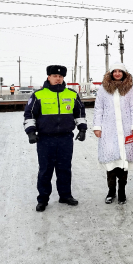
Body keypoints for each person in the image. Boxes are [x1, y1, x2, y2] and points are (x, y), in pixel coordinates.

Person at [23, 65, 87, 212]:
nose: (58, 79)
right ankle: (43, 199)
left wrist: (82, 129)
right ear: (48, 77)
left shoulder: (71, 94)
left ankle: (65, 195)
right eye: (54, 76)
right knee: (45, 170)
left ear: (63, 78)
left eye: (60, 76)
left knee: (64, 169)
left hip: (65, 138)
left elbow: (80, 113)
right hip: (45, 139)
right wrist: (31, 132)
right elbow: (29, 115)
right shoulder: (38, 95)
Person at [93, 62, 133, 205]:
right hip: (109, 129)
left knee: (123, 163)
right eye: (115, 71)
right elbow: (98, 109)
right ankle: (111, 191)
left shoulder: (130, 89)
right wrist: (97, 126)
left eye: (120, 71)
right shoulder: (103, 89)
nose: (117, 73)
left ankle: (122, 192)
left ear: (124, 73)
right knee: (111, 162)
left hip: (126, 128)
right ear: (111, 73)